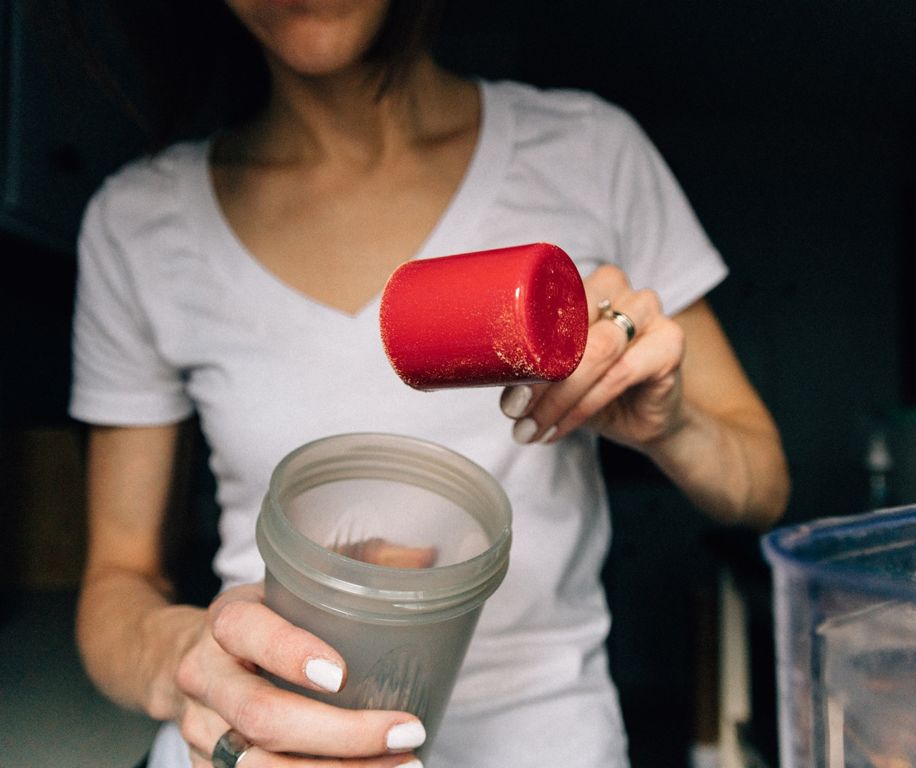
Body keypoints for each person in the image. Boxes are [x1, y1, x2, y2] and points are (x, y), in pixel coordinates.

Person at [68, 1, 791, 766]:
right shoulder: (139, 222)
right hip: (258, 745)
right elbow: (118, 579)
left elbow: (764, 488)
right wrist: (192, 667)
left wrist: (671, 425)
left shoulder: (588, 152)